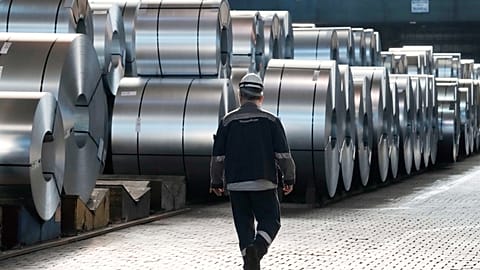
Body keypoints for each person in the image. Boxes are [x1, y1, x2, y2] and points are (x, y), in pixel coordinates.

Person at [210, 73, 296, 270]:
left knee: (243, 226)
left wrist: (216, 182)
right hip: (264, 182)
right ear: (261, 97)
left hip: (236, 184)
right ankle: (257, 249)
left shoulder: (227, 122)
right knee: (271, 221)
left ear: (240, 96)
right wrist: (289, 178)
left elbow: (217, 157)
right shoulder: (271, 121)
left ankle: (250, 261)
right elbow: (283, 155)